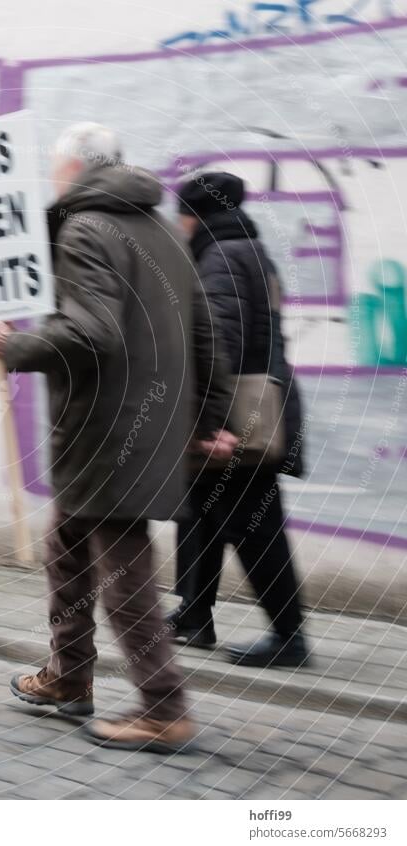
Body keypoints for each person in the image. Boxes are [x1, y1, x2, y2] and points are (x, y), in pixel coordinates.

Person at [0, 123, 201, 752]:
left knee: (125, 574)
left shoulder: (83, 229)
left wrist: (14, 345)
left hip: (107, 434)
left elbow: (91, 333)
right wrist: (209, 419)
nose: (53, 180)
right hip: (153, 426)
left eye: (55, 169)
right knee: (66, 549)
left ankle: (163, 706)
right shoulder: (164, 232)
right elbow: (205, 334)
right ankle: (69, 675)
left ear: (73, 168)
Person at [169, 171, 309, 668]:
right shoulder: (246, 249)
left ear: (195, 216)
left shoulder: (223, 257)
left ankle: (290, 638)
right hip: (251, 406)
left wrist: (207, 424)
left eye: (179, 215)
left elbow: (219, 344)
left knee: (253, 524)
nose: (176, 225)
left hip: (241, 415)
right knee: (200, 512)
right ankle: (193, 617)